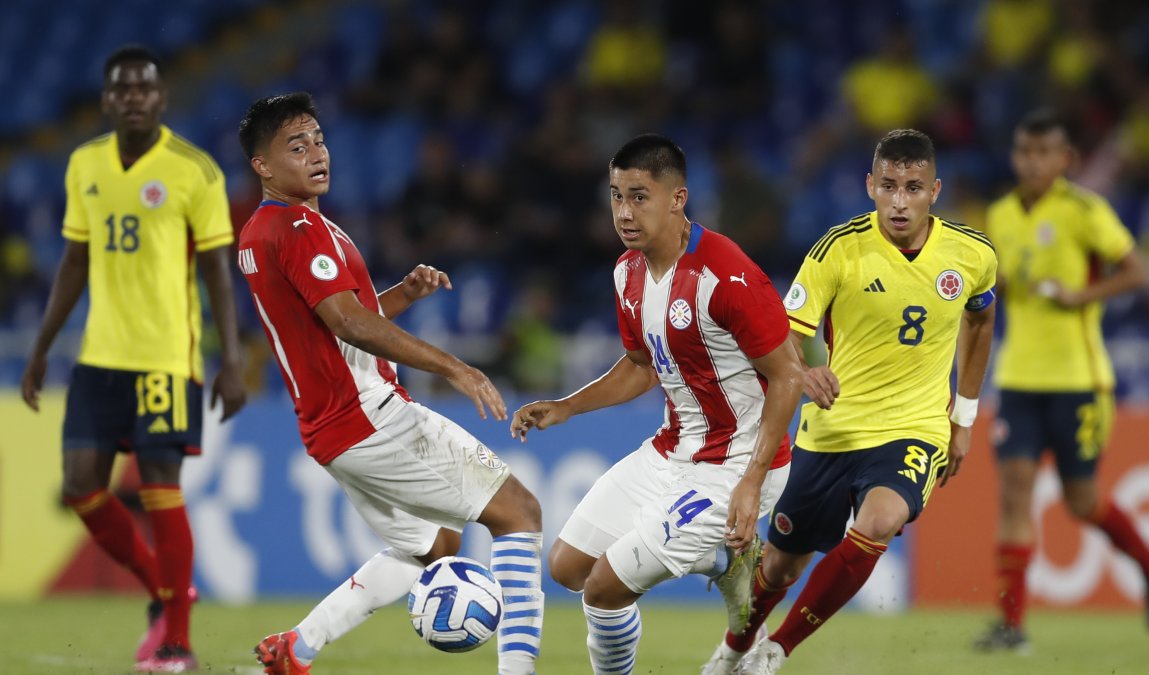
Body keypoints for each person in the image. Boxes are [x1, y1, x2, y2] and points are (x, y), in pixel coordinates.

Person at [235, 93, 543, 675]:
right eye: (296, 147)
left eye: (319, 140)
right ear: (263, 166)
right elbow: (348, 323)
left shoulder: (263, 229)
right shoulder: (299, 228)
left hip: (332, 430)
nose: (316, 154)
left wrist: (401, 295)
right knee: (519, 513)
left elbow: (333, 323)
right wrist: (454, 366)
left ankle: (297, 648)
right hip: (369, 415)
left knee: (434, 547)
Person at [703, 129, 998, 674]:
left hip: (915, 427)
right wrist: (803, 371)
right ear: (870, 186)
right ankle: (734, 648)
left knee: (879, 521)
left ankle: (776, 651)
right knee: (780, 567)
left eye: (913, 188)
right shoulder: (838, 249)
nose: (900, 201)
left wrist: (964, 416)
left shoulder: (973, 254)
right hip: (833, 429)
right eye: (889, 186)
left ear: (935, 190)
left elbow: (980, 322)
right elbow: (783, 335)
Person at [510, 134, 804, 674]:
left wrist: (752, 481)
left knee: (603, 590)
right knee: (568, 567)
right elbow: (642, 366)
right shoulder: (628, 272)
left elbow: (788, 374)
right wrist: (568, 406)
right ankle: (726, 560)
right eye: (616, 196)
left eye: (639, 196)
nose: (624, 212)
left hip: (736, 464)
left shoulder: (726, 274)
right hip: (673, 451)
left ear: (677, 198)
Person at [19, 45, 246, 673]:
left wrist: (230, 360)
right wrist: (40, 350)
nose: (134, 97)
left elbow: (217, 269)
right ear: (107, 99)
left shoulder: (193, 171)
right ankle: (164, 591)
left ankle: (177, 642)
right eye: (122, 88)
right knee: (80, 487)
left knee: (160, 487)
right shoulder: (84, 164)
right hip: (100, 356)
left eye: (144, 88)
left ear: (162, 98)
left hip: (167, 357)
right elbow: (75, 261)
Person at [973, 109, 1149, 652]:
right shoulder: (1000, 214)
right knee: (1014, 493)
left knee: (1082, 502)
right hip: (1018, 378)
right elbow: (999, 283)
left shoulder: (1085, 210)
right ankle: (1011, 627)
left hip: (1078, 379)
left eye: (1043, 153)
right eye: (1024, 152)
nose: (1031, 162)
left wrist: (1080, 296)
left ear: (1065, 159)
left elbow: (1137, 271)